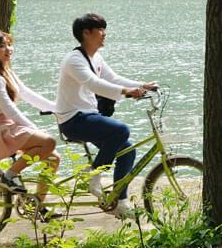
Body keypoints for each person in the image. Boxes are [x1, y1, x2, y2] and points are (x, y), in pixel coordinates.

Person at [54, 13, 156, 219]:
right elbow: (94, 84)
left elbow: (112, 78)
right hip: (73, 120)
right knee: (121, 129)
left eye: (104, 29)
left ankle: (120, 201)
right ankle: (92, 174)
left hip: (88, 116)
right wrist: (126, 92)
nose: (104, 34)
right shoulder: (74, 59)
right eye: (100, 29)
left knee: (127, 150)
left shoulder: (96, 57)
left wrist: (141, 86)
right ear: (86, 33)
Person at [0, 31, 61, 216]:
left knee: (54, 159)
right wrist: (33, 128)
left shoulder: (6, 72)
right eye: (2, 46)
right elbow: (10, 110)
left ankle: (36, 206)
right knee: (49, 142)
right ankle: (9, 176)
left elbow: (27, 94)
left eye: (9, 44)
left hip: (11, 128)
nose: (8, 49)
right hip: (1, 131)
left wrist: (57, 108)